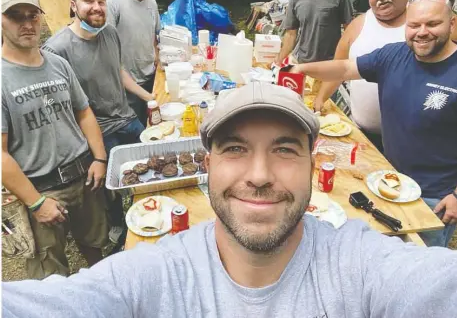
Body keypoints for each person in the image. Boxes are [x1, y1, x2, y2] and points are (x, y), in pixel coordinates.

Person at [3, 81, 457, 318]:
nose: (259, 176)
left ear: (311, 164)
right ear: (207, 164)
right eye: (236, 148)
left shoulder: (362, 266)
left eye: (283, 149)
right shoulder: (153, 276)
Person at [291, 0, 457, 247]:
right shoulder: (394, 55)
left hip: (435, 197)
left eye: (432, 24)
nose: (422, 32)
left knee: (420, 271)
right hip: (387, 181)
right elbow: (345, 68)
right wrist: (303, 68)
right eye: (414, 25)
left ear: (452, 24)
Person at [1, 0, 109, 279]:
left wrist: (99, 158)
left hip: (83, 176)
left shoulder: (58, 64)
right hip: (42, 187)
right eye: (16, 16)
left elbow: (84, 111)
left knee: (95, 247)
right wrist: (36, 202)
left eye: (33, 16)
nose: (27, 24)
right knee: (50, 272)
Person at [42, 0, 156, 246]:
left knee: (154, 166)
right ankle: (117, 224)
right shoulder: (56, 50)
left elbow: (119, 71)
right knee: (109, 188)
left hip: (127, 118)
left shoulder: (109, 33)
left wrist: (150, 97)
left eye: (101, 2)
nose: (97, 8)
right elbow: (60, 110)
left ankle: (152, 213)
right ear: (73, 5)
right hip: (96, 133)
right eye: (88, 1)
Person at [314, 0, 411, 152]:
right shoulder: (359, 24)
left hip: (409, 143)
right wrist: (319, 101)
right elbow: (339, 68)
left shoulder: (424, 24)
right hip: (360, 133)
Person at [106, 0, 161, 126]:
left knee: (154, 122)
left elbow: (154, 35)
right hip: (127, 82)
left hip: (150, 76)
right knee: (136, 129)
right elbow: (106, 45)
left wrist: (157, 57)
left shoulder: (151, 3)